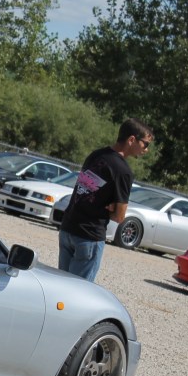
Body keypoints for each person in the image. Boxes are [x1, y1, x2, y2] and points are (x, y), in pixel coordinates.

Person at [58, 118, 153, 282]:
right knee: (78, 291)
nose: (146, 150)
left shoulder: (96, 155)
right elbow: (120, 217)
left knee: (61, 286)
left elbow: (84, 192)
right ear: (131, 140)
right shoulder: (123, 171)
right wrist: (110, 208)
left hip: (68, 228)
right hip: (89, 236)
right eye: (145, 144)